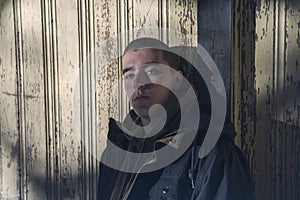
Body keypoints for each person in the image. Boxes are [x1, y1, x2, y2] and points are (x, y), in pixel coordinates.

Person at [97, 37, 252, 200]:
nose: (138, 83)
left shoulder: (210, 152)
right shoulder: (118, 149)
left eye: (151, 71)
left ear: (177, 80)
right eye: (129, 74)